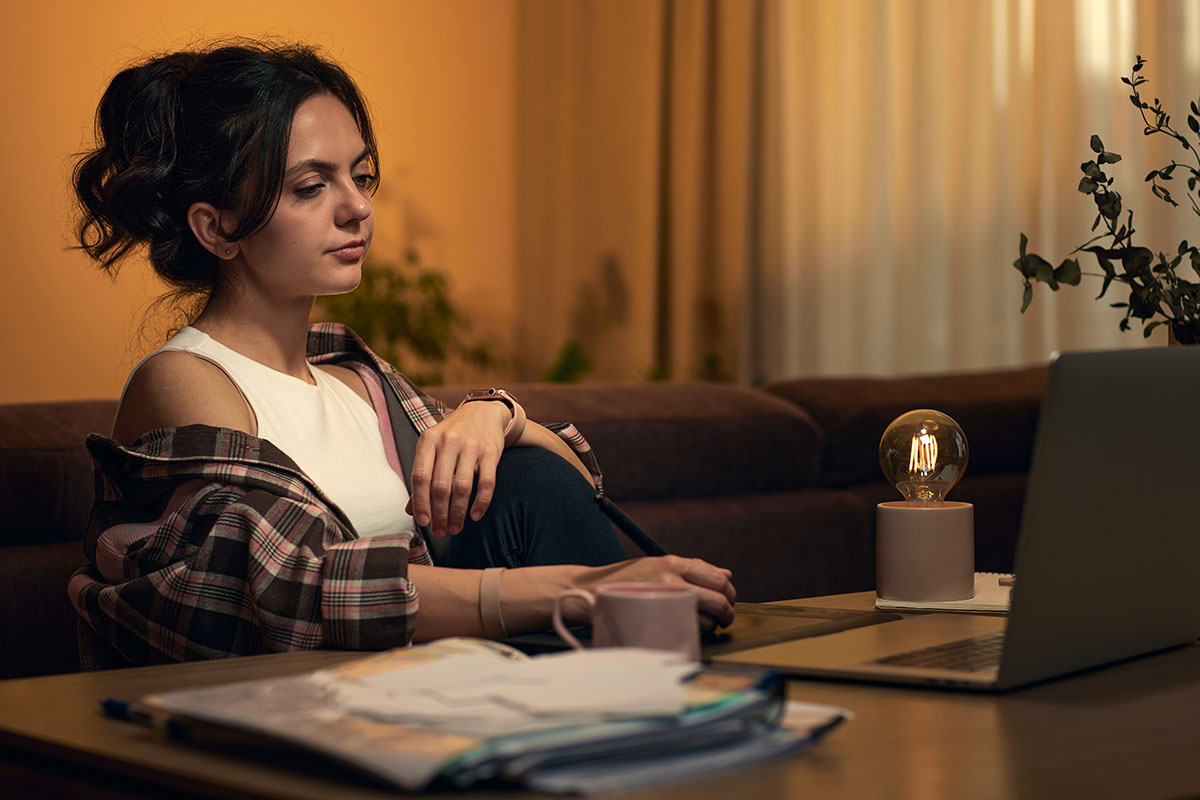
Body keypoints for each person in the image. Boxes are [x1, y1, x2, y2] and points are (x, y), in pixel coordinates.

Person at [68, 40, 736, 664]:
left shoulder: (356, 379)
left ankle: (634, 709)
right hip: (308, 705)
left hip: (443, 680)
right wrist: (583, 589)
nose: (357, 207)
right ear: (217, 229)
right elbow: (282, 587)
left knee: (527, 474)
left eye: (361, 176)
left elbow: (576, 492)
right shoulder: (186, 379)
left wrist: (496, 415)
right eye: (311, 186)